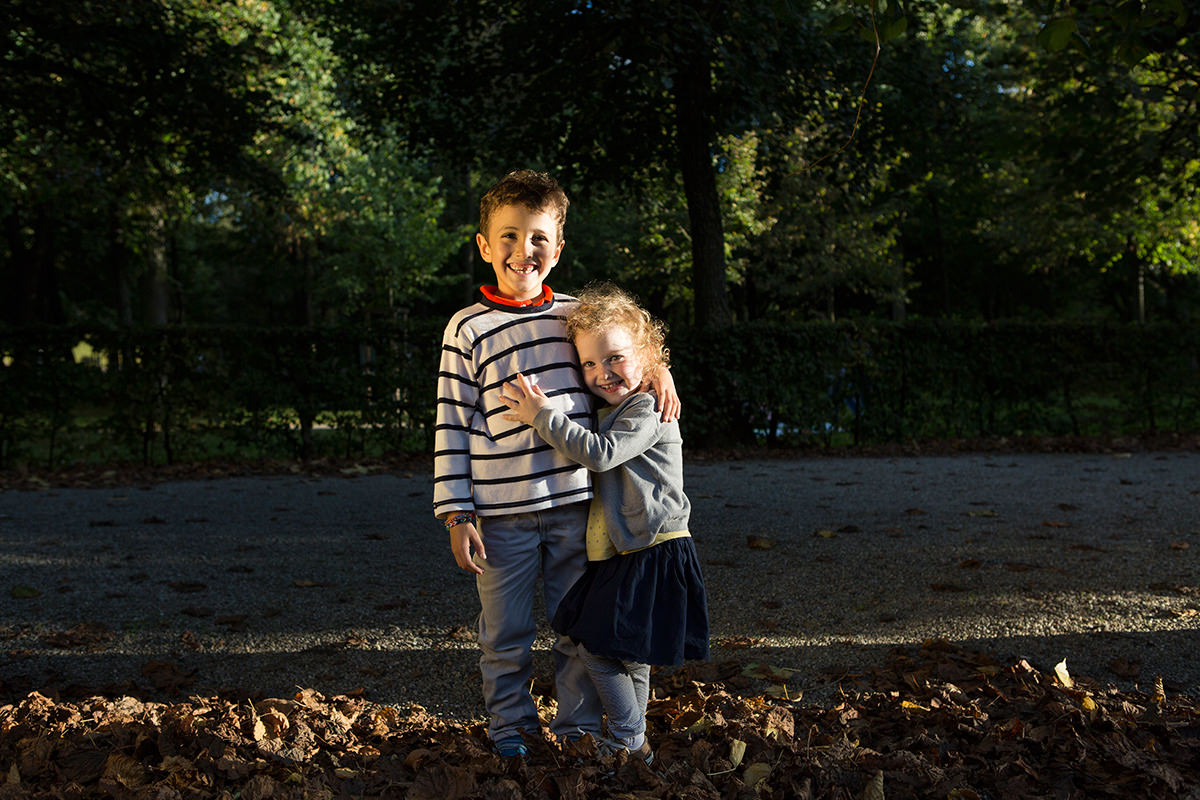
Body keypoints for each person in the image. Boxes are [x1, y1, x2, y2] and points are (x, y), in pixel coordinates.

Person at [434, 170, 680, 759]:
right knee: (506, 634)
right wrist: (456, 513)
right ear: (485, 245)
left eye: (539, 237)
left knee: (579, 630)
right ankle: (512, 729)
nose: (525, 251)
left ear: (558, 246)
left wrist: (660, 371)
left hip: (579, 509)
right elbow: (450, 425)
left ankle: (577, 730)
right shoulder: (468, 328)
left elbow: (625, 356)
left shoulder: (576, 317)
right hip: (499, 517)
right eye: (510, 236)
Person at [499, 283, 710, 764]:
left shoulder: (648, 406)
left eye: (615, 358)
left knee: (595, 645)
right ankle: (636, 748)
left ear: (647, 355)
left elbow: (600, 453)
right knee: (625, 651)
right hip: (627, 550)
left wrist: (541, 415)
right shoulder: (615, 405)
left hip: (654, 546)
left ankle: (628, 736)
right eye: (589, 365)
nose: (601, 373)